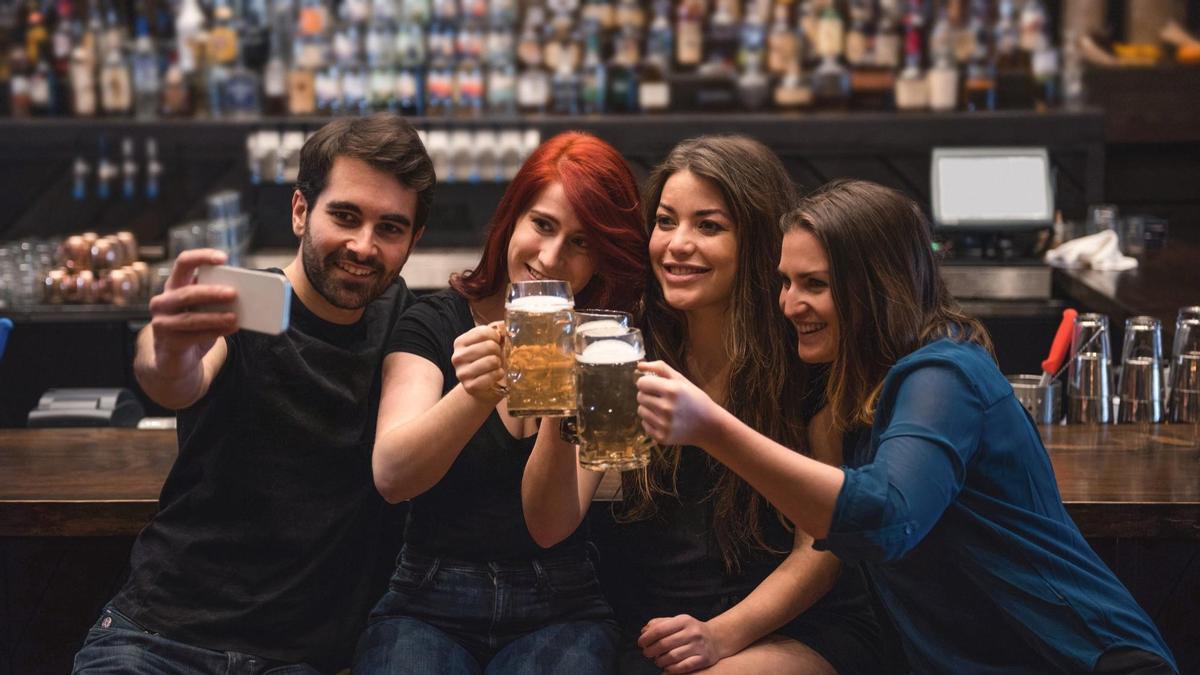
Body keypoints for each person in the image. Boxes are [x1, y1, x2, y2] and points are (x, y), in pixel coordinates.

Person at [635, 178, 1179, 673]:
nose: (789, 304)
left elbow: (884, 518)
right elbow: (826, 538)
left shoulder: (945, 373)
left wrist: (712, 428)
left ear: (878, 287)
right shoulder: (850, 392)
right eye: (786, 282)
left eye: (815, 284)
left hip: (1077, 659)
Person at [72, 114, 435, 674]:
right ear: (300, 211)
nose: (363, 246)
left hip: (300, 658)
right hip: (158, 638)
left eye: (389, 227)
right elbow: (175, 377)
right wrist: (168, 352)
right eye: (345, 216)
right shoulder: (242, 302)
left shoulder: (406, 326)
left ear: (414, 239)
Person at [523, 136, 887, 674]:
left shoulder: (806, 357)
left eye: (708, 226)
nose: (677, 244)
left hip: (796, 626)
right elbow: (550, 525)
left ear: (758, 240)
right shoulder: (627, 346)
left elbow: (822, 547)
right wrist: (561, 400)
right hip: (654, 631)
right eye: (665, 222)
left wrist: (720, 635)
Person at [355, 131, 648, 674]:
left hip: (562, 602)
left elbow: (551, 526)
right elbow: (393, 477)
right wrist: (474, 393)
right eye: (543, 225)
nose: (552, 257)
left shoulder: (605, 346)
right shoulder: (433, 322)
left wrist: (562, 396)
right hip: (427, 598)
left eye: (582, 243)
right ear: (511, 219)